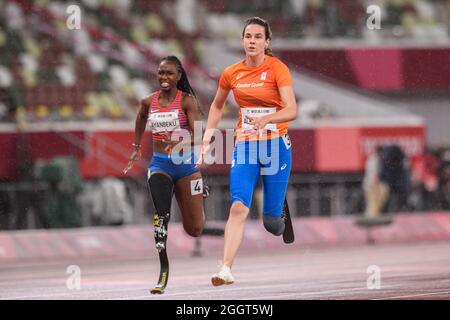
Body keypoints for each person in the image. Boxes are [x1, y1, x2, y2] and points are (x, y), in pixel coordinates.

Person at [196, 17, 298, 286]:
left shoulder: (278, 69)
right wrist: (208, 134)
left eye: (257, 37)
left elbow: (292, 110)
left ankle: (280, 212)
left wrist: (268, 119)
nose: (252, 41)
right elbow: (217, 106)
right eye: (248, 36)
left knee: (272, 224)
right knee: (239, 207)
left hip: (276, 146)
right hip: (245, 145)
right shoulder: (231, 73)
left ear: (267, 42)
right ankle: (226, 268)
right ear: (242, 41)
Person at [123, 55, 205, 293]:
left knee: (195, 229)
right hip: (160, 165)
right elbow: (140, 117)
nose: (164, 78)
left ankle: (201, 194)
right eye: (161, 73)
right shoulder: (149, 102)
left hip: (186, 167)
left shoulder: (188, 102)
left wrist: (181, 144)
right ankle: (163, 270)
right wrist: (137, 147)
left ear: (179, 76)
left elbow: (199, 136)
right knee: (162, 213)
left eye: (169, 73)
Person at [363, 145, 389, 218]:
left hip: (369, 185)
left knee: (372, 205)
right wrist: (376, 187)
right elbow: (374, 176)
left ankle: (370, 218)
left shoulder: (371, 159)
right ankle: (371, 220)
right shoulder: (375, 160)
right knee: (373, 205)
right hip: (372, 186)